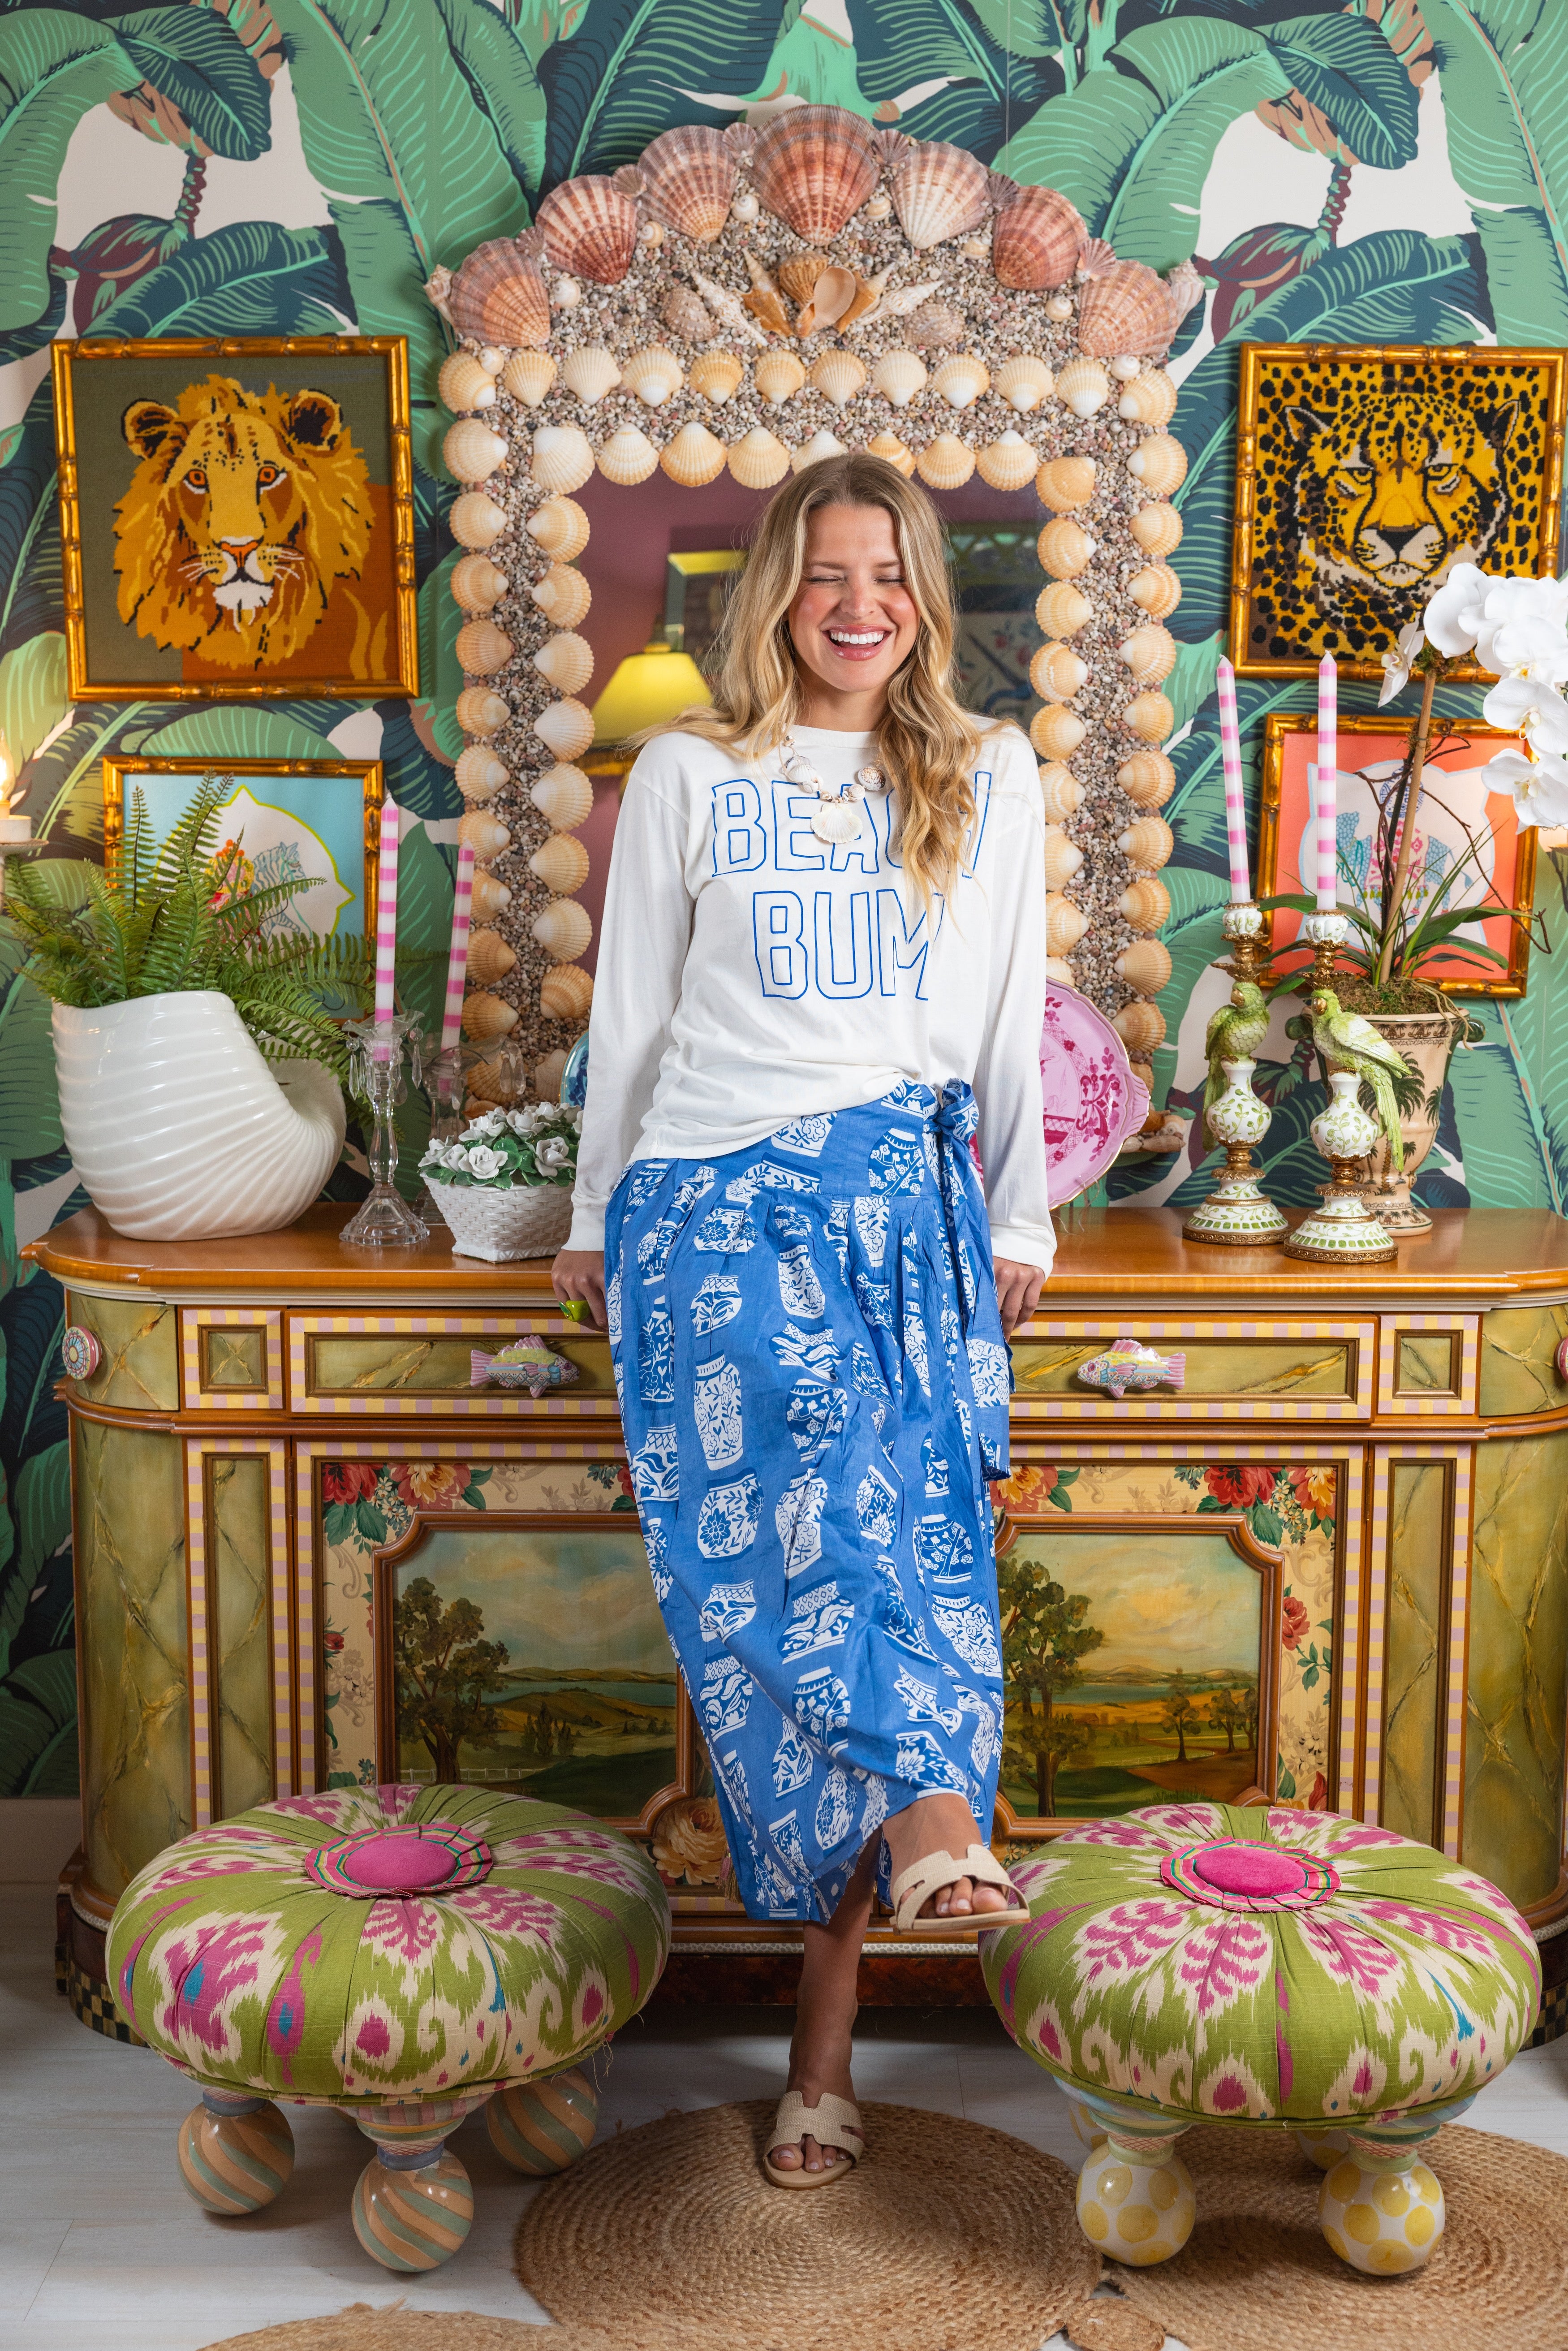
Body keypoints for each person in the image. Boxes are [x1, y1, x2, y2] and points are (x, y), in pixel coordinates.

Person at [553, 452, 1052, 2187]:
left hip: (903, 1206)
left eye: (889, 576)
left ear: (923, 600)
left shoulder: (986, 770)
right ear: (775, 594)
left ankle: (822, 2059)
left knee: (901, 1567)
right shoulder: (691, 770)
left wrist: (1018, 1212)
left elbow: (1007, 1012)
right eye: (827, 574)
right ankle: (935, 1819)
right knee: (829, 1524)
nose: (858, 607)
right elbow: (628, 1019)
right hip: (713, 1202)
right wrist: (589, 1214)